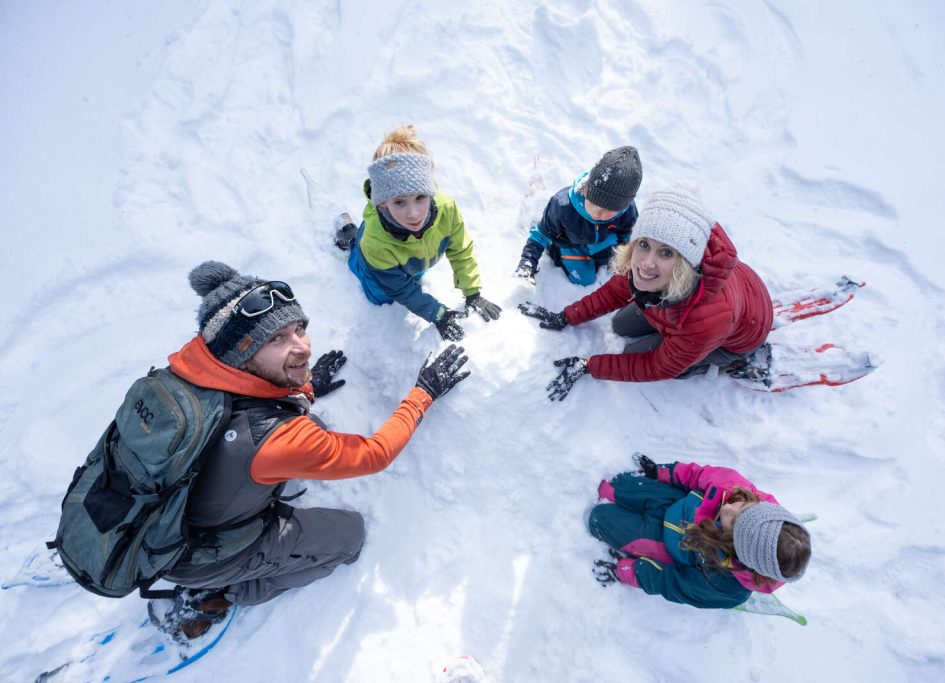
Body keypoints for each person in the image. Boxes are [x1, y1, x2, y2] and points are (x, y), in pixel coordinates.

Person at [152, 261, 470, 639]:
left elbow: (254, 400)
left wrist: (306, 384)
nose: (302, 346)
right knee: (349, 538)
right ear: (240, 352)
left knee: (307, 432)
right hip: (197, 555)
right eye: (276, 339)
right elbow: (374, 455)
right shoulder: (273, 440)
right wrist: (424, 392)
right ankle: (220, 594)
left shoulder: (193, 372)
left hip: (173, 513)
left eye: (299, 328)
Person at [519, 184, 773, 400]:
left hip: (738, 332)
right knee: (620, 324)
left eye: (666, 252)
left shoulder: (704, 323)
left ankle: (723, 362)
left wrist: (589, 366)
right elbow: (613, 293)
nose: (647, 262)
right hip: (694, 299)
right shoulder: (644, 265)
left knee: (640, 355)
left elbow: (657, 366)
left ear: (686, 262)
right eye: (644, 244)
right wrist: (566, 316)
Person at [336, 124, 501, 341]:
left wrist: (473, 294)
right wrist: (438, 313)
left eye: (420, 198)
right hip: (376, 264)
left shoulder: (446, 209)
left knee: (412, 277)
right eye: (400, 202)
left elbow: (461, 250)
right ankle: (350, 237)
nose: (414, 214)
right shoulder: (375, 242)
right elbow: (401, 289)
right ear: (383, 202)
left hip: (413, 262)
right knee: (380, 294)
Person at [588, 455, 811, 608]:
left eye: (733, 522)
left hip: (665, 545)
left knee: (597, 518)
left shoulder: (727, 587)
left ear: (738, 550)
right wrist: (663, 472)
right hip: (672, 503)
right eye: (743, 507)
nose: (728, 508)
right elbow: (699, 475)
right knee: (610, 485)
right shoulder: (740, 491)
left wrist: (628, 571)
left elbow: (673, 583)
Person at [514, 146, 642, 286]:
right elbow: (540, 235)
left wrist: (626, 253)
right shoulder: (563, 205)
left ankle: (597, 254)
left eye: (609, 210)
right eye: (594, 204)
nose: (598, 214)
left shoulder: (628, 210)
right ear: (586, 191)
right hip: (570, 241)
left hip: (600, 238)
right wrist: (527, 263)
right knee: (584, 279)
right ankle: (555, 250)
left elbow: (629, 231)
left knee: (611, 261)